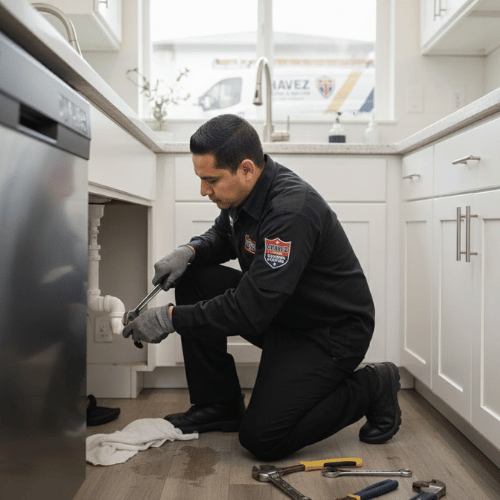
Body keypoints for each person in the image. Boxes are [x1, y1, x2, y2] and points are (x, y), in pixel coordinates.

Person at [122, 114, 401, 461]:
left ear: (247, 169)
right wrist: (190, 251)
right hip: (285, 313)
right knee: (194, 275)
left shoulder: (290, 210)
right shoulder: (244, 195)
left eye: (211, 180)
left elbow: (250, 309)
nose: (203, 190)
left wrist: (169, 319)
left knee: (263, 439)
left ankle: (374, 385)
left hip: (330, 334)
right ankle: (217, 405)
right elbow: (223, 235)